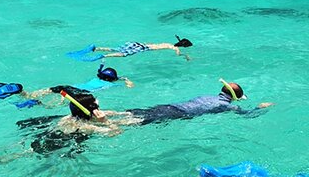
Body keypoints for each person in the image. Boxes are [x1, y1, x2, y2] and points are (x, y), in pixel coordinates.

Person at [57, 79, 274, 135]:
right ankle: (104, 120)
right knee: (138, 122)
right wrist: (261, 107)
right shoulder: (229, 107)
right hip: (176, 114)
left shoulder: (209, 95)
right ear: (236, 98)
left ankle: (102, 116)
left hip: (170, 105)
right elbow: (248, 115)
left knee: (134, 114)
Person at [0, 64, 134, 109]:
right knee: (53, 106)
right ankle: (37, 104)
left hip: (66, 86)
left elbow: (106, 76)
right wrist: (126, 81)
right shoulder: (109, 85)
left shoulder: (96, 77)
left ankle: (21, 92)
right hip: (79, 92)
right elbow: (128, 87)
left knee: (36, 93)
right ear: (112, 79)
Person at [65, 35, 193, 62]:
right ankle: (102, 56)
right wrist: (186, 56)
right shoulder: (171, 47)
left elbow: (150, 42)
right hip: (142, 48)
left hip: (137, 43)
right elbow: (177, 53)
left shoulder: (165, 42)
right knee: (123, 54)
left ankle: (96, 48)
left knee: (117, 48)